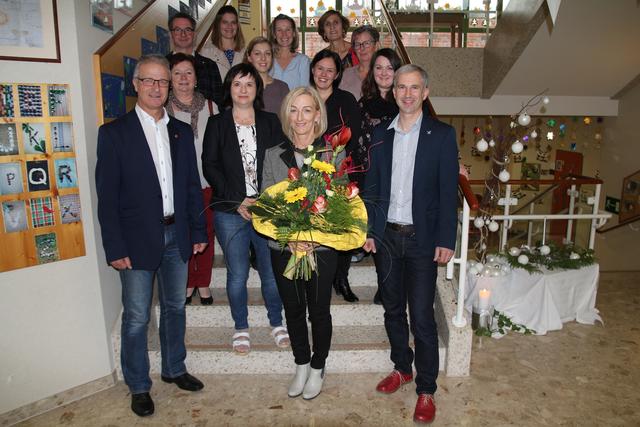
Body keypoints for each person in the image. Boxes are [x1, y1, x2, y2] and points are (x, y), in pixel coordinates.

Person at [95, 54, 208, 417]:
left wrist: (198, 230)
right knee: (137, 316)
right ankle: (139, 385)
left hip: (178, 233)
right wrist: (114, 246)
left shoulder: (179, 130)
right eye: (150, 81)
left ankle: (174, 368)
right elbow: (107, 197)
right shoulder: (114, 133)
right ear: (135, 84)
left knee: (175, 308)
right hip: (136, 239)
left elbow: (192, 186)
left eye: (163, 82)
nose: (157, 88)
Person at [362, 64, 458, 424]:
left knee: (421, 316)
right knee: (391, 310)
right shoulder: (380, 135)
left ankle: (426, 388)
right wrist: (370, 231)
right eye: (401, 87)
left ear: (425, 93)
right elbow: (372, 190)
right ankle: (402, 367)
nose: (406, 93)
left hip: (422, 240)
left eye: (414, 88)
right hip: (387, 238)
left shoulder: (442, 135)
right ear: (394, 92)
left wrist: (446, 239)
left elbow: (448, 193)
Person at [201, 63, 289, 355]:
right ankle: (241, 327)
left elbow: (281, 162)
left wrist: (266, 201)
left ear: (257, 90)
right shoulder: (217, 123)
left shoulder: (270, 122)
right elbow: (210, 166)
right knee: (237, 273)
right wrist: (237, 199)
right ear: (230, 88)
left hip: (267, 210)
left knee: (270, 272)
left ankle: (276, 322)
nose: (243, 90)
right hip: (230, 211)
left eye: (249, 84)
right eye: (237, 84)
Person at [261, 86, 340, 400]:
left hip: (321, 249)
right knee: (293, 310)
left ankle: (319, 366)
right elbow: (267, 203)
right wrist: (292, 238)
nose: (300, 117)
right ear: (286, 115)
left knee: (318, 311)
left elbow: (337, 206)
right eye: (294, 109)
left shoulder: (332, 153)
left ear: (318, 114)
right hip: (283, 247)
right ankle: (301, 364)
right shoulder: (271, 153)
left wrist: (311, 237)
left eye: (307, 109)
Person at [167, 53, 219, 305]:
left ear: (196, 78)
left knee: (206, 235)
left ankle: (204, 282)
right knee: (183, 235)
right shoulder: (163, 109)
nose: (183, 78)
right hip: (176, 186)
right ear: (169, 79)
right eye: (177, 73)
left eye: (188, 73)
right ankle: (188, 283)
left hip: (206, 184)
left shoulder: (211, 107)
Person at [310, 49, 362, 303]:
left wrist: (337, 157)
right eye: (320, 68)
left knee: (341, 227)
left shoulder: (347, 99)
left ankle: (341, 277)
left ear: (337, 74)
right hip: (308, 174)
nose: (324, 74)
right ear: (312, 70)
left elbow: (354, 135)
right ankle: (317, 278)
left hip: (339, 173)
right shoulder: (303, 97)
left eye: (330, 70)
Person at [166, 12, 223, 106]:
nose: (183, 34)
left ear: (194, 34)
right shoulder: (162, 65)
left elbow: (219, 102)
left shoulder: (210, 65)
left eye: (188, 30)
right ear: (170, 34)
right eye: (177, 30)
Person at [243, 36, 289, 115]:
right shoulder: (241, 87)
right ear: (249, 57)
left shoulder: (282, 88)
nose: (263, 58)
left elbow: (288, 119)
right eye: (257, 54)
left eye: (267, 53)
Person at [201, 5, 246, 80]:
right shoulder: (206, 53)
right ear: (218, 25)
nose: (229, 26)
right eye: (225, 22)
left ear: (237, 26)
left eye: (233, 22)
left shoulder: (246, 53)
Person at [268, 14, 311, 90]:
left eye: (288, 29)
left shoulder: (303, 61)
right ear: (274, 34)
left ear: (294, 33)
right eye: (279, 30)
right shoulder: (267, 60)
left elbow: (305, 91)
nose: (284, 34)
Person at [339, 25, 380, 100]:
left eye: (366, 43)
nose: (362, 48)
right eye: (357, 44)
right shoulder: (346, 75)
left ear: (376, 46)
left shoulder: (385, 74)